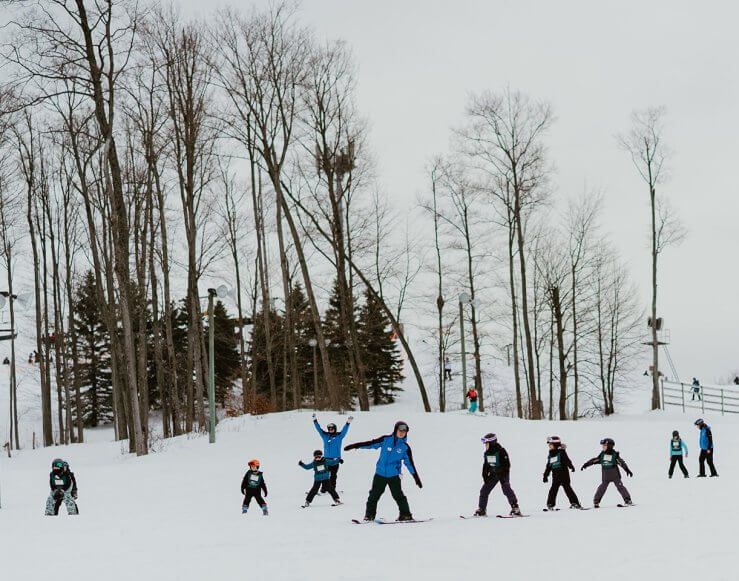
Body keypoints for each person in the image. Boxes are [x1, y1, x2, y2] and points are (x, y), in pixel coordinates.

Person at [344, 421, 421, 522]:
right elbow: (370, 444)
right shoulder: (385, 440)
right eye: (400, 430)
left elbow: (410, 464)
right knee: (373, 496)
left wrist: (416, 478)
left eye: (404, 431)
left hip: (394, 476)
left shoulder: (405, 448)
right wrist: (355, 446)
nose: (402, 433)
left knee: (398, 496)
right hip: (380, 474)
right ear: (395, 430)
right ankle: (369, 516)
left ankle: (406, 515)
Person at [473, 433, 521, 517]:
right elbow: (486, 465)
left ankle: (515, 508)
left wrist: (503, 475)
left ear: (492, 443)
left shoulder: (501, 451)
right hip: (493, 474)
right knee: (484, 490)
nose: (485, 445)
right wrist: (485, 475)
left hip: (503, 473)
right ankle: (482, 509)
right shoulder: (487, 453)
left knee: (506, 489)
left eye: (486, 443)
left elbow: (507, 465)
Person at [581, 438, 633, 508]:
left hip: (615, 476)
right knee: (602, 488)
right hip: (605, 476)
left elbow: (621, 462)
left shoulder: (614, 455)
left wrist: (627, 469)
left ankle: (627, 500)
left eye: (604, 446)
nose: (603, 447)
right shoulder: (602, 454)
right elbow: (595, 460)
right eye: (603, 446)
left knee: (620, 487)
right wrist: (586, 464)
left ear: (610, 446)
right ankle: (596, 501)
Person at [312, 413, 352, 491]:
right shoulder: (325, 436)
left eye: (332, 429)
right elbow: (318, 429)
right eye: (329, 429)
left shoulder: (339, 436)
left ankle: (332, 489)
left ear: (335, 429)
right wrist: (315, 420)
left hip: (335, 460)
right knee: (323, 475)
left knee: (333, 475)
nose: (330, 430)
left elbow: (344, 430)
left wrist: (348, 423)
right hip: (326, 460)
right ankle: (323, 489)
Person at [543, 436, 582, 510]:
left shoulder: (561, 452)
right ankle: (550, 504)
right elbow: (548, 466)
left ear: (556, 445)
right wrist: (545, 475)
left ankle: (575, 503)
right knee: (553, 490)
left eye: (550, 444)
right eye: (549, 445)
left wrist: (571, 466)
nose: (549, 446)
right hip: (555, 476)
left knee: (567, 489)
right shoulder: (550, 455)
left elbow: (567, 460)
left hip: (564, 474)